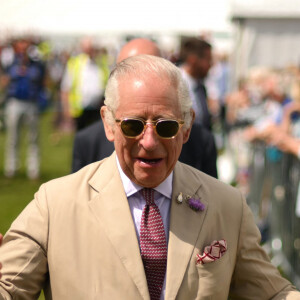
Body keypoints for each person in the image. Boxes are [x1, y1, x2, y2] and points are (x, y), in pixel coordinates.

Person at [1, 55, 299, 299]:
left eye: (166, 126)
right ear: (109, 124)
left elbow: (272, 294)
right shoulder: (55, 204)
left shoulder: (227, 204)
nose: (149, 141)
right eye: (133, 125)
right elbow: (9, 288)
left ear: (187, 128)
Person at [72, 38, 218, 177]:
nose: (149, 142)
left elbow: (209, 196)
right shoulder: (88, 142)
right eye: (130, 71)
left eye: (167, 126)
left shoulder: (201, 141)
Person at [1, 37, 46, 179]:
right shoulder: (10, 63)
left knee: (33, 138)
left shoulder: (37, 65)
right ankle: (11, 168)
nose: (23, 47)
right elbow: (4, 81)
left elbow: (42, 82)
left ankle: (33, 170)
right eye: (21, 44)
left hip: (31, 103)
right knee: (13, 137)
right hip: (14, 102)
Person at [60, 36, 105, 131]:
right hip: (80, 110)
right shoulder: (74, 63)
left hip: (97, 109)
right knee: (81, 138)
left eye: (92, 48)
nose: (90, 51)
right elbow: (65, 89)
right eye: (87, 49)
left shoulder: (101, 64)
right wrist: (66, 110)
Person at [179, 37, 213, 131]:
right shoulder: (176, 85)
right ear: (192, 60)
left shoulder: (200, 86)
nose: (210, 65)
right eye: (208, 60)